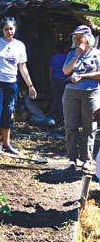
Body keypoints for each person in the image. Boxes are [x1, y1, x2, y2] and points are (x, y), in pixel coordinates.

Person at [0, 17, 37, 155]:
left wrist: (30, 85)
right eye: (6, 29)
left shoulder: (20, 46)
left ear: (15, 29)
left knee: (8, 113)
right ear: (2, 30)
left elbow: (23, 68)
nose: (9, 31)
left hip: (11, 84)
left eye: (11, 28)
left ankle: (7, 144)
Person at [62, 25, 100, 171]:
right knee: (70, 127)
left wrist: (82, 76)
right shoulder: (72, 53)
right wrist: (77, 55)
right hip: (71, 92)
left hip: (91, 92)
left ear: (88, 38)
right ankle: (72, 159)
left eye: (80, 37)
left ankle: (87, 159)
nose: (77, 40)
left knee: (89, 127)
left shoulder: (97, 53)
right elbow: (65, 71)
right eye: (75, 37)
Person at [48, 41, 69, 125]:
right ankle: (61, 118)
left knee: (55, 98)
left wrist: (50, 81)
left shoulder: (53, 57)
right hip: (64, 80)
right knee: (62, 99)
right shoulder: (67, 57)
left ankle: (50, 115)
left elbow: (50, 70)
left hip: (55, 79)